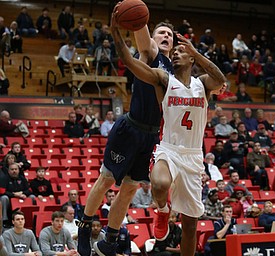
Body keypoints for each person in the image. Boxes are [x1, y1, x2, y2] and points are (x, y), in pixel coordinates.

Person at [93, 15, 226, 256]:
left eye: (180, 51)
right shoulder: (165, 80)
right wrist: (115, 32)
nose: (174, 53)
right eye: (173, 52)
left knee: (190, 226)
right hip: (169, 149)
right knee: (160, 183)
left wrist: (195, 52)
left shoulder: (202, 84)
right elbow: (129, 62)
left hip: (194, 156)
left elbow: (221, 79)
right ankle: (163, 210)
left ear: (191, 58)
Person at [77, 18, 175, 256]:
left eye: (170, 35)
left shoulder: (174, 66)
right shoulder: (151, 51)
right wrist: (139, 18)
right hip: (129, 129)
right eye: (161, 32)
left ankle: (109, 240)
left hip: (151, 136)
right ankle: (85, 225)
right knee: (107, 181)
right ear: (153, 37)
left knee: (130, 190)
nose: (166, 37)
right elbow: (141, 33)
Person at [0, 163, 35, 228]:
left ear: (18, 170)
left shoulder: (22, 178)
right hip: (10, 200)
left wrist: (22, 193)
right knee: (4, 198)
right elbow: (2, 191)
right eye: (12, 169)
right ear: (9, 171)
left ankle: (31, 218)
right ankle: (5, 220)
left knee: (32, 197)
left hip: (22, 197)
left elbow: (29, 190)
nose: (14, 171)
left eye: (16, 169)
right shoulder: (4, 179)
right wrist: (14, 194)